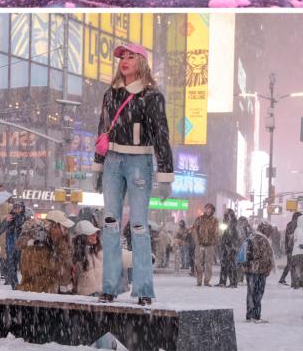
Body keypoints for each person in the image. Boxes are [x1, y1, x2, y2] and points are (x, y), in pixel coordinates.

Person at [88, 43, 174, 306]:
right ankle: (110, 287)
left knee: (138, 226)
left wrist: (165, 172)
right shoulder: (110, 94)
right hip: (113, 159)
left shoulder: (151, 96)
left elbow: (161, 134)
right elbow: (102, 130)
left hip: (139, 161)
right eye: (121, 57)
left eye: (130, 56)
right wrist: (99, 165)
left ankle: (144, 289)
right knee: (110, 225)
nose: (124, 61)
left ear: (142, 62)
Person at [18, 209, 75, 293]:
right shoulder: (37, 248)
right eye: (64, 228)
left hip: (49, 293)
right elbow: (53, 269)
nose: (66, 232)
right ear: (52, 227)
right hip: (35, 294)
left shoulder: (58, 243)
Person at [243, 222, 274, 322]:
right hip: (257, 270)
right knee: (256, 294)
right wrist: (268, 268)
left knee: (254, 293)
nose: (269, 232)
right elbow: (266, 257)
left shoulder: (253, 238)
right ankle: (253, 315)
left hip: (254, 270)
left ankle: (254, 315)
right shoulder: (261, 240)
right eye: (268, 230)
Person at [192, 204, 220, 286]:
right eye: (207, 208)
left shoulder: (215, 221)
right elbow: (194, 230)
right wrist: (197, 241)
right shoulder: (199, 219)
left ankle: (207, 281)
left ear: (212, 210)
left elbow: (217, 232)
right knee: (198, 263)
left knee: (209, 264)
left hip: (210, 245)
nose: (208, 210)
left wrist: (214, 241)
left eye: (210, 209)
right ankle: (199, 280)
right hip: (199, 244)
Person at [73, 220, 105, 295]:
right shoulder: (75, 254)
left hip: (101, 295)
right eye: (91, 234)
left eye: (95, 233)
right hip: (84, 298)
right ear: (83, 237)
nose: (95, 235)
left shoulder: (99, 250)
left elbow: (120, 257)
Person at [2, 200, 28, 288]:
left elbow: (26, 230)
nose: (16, 209)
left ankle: (24, 283)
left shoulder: (25, 218)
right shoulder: (9, 217)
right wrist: (6, 221)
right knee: (12, 266)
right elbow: (2, 228)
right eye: (15, 207)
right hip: (11, 246)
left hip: (22, 246)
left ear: (22, 208)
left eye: (18, 207)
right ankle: (15, 285)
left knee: (23, 266)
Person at [218, 207, 241, 287]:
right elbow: (222, 233)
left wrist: (234, 245)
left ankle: (233, 282)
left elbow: (237, 236)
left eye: (228, 214)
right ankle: (222, 281)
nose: (227, 216)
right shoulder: (224, 223)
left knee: (232, 265)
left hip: (232, 246)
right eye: (226, 214)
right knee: (224, 264)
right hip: (225, 245)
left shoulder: (235, 223)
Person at [279, 210, 300, 284]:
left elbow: (287, 238)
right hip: (293, 248)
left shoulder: (290, 224)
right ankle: (293, 282)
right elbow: (291, 238)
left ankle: (283, 279)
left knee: (290, 264)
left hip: (290, 248)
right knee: (292, 265)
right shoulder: (295, 225)